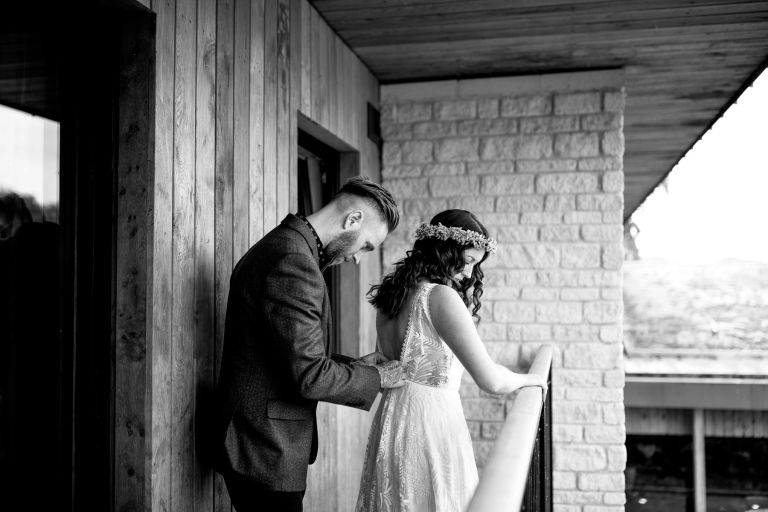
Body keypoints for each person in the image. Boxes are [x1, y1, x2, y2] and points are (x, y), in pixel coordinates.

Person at [214, 177, 405, 512]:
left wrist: (357, 367)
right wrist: (382, 378)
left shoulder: (290, 248)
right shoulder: (293, 260)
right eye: (366, 246)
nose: (358, 259)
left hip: (260, 444)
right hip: (263, 447)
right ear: (353, 220)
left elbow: (291, 354)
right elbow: (309, 375)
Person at [355, 209, 547, 512]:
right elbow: (492, 380)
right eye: (468, 261)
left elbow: (386, 364)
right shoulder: (441, 297)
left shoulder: (393, 295)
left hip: (392, 419)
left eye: (476, 264)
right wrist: (531, 379)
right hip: (430, 424)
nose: (470, 274)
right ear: (445, 252)